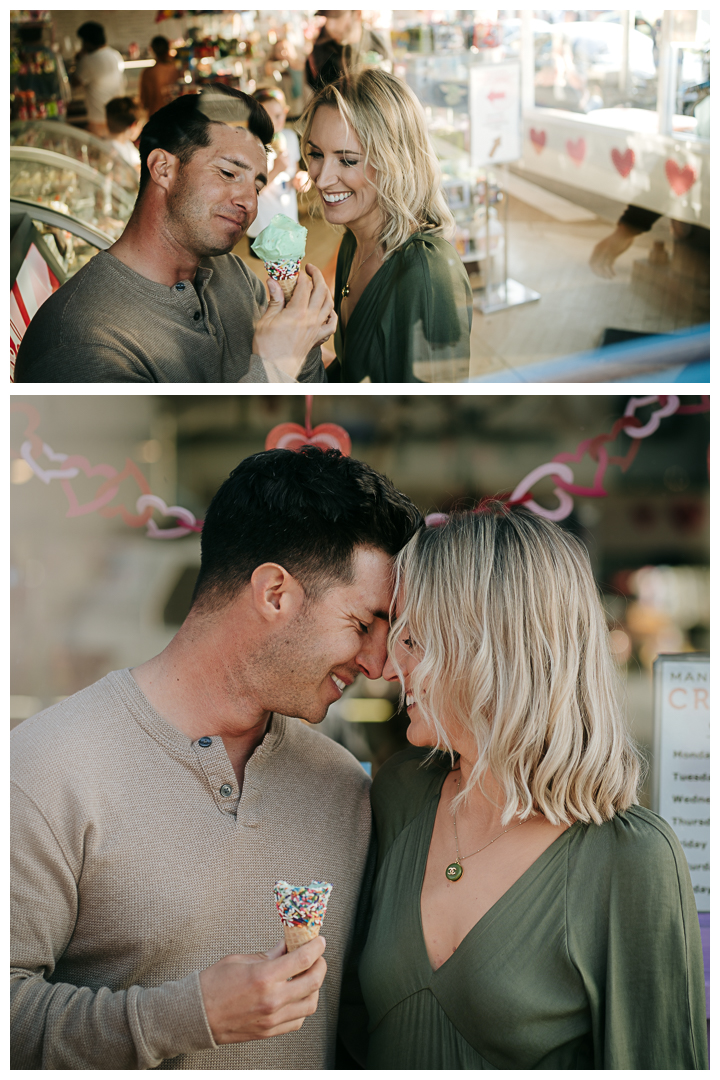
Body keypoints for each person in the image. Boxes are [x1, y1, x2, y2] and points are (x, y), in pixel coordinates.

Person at [11, 446, 423, 1070]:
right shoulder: (48, 765)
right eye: (364, 623)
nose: (380, 665)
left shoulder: (343, 787)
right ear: (275, 592)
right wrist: (185, 1016)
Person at [355, 505, 708, 1069]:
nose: (384, 666)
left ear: (490, 650)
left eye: (414, 638)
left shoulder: (631, 858)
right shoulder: (398, 795)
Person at [14, 85, 336, 384]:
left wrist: (303, 340)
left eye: (257, 186)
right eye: (228, 172)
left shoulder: (234, 273)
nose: (250, 202)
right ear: (162, 169)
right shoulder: (79, 343)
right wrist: (274, 367)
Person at [300, 70, 473, 382]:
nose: (321, 179)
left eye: (347, 160)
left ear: (396, 161)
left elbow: (433, 417)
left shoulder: (428, 272)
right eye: (315, 154)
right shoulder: (354, 243)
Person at [246, 87, 307, 238]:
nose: (272, 122)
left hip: (288, 220)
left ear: (286, 112)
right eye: (266, 117)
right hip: (264, 226)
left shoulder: (290, 137)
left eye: (278, 115)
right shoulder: (249, 145)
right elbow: (249, 192)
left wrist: (301, 178)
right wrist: (276, 170)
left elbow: (295, 170)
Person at [306, 10, 391, 93]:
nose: (329, 26)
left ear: (358, 13)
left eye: (336, 17)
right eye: (327, 18)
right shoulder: (322, 50)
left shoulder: (377, 45)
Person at [74, 21, 126, 138]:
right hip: (116, 118)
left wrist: (79, 59)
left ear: (87, 42)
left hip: (98, 121)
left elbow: (74, 83)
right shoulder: (115, 55)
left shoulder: (87, 60)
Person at [139, 35, 180, 118]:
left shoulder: (147, 73)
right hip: (176, 117)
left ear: (153, 50)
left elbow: (144, 101)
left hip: (155, 118)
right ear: (168, 48)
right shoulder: (177, 69)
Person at [105, 96, 144, 172]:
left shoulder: (125, 144)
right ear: (132, 126)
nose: (141, 129)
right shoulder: (116, 153)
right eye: (140, 125)